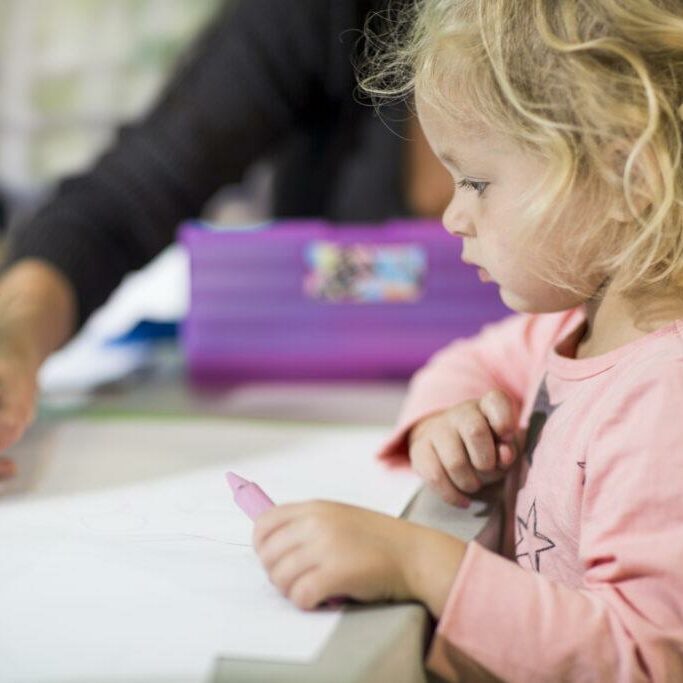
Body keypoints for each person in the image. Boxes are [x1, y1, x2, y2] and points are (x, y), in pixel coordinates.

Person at [252, 1, 683, 680]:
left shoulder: (664, 400)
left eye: (477, 181)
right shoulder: (582, 324)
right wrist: (445, 419)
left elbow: (641, 658)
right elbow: (470, 359)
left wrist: (419, 563)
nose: (453, 215)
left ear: (628, 177)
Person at [0, 0, 452, 478]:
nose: (461, 220)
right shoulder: (322, 17)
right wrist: (17, 335)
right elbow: (121, 201)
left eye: (482, 184)